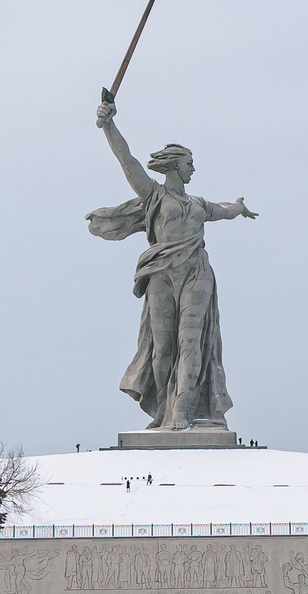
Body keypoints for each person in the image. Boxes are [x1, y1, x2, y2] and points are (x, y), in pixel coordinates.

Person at [88, 95, 257, 431]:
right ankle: (165, 409)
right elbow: (128, 160)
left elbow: (225, 210)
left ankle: (183, 409)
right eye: (190, 163)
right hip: (162, 274)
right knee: (163, 347)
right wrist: (109, 125)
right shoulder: (154, 196)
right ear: (176, 165)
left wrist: (239, 206)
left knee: (190, 341)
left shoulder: (199, 204)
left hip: (196, 273)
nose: (194, 169)